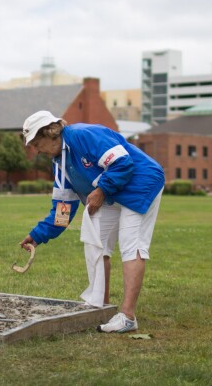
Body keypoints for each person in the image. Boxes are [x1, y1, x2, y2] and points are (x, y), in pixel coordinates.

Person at [19, 110, 164, 334]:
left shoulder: (84, 135)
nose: (36, 150)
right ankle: (100, 307)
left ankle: (127, 317)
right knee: (95, 241)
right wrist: (37, 236)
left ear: (51, 132)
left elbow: (122, 163)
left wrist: (101, 190)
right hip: (110, 191)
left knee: (131, 244)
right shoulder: (59, 163)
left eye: (37, 143)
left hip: (141, 182)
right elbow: (63, 211)